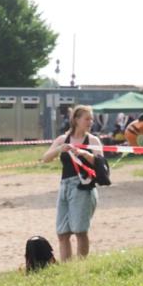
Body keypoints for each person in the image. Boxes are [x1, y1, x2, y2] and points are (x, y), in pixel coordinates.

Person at [41, 105, 103, 262]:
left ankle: (81, 265)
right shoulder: (63, 139)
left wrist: (85, 153)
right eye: (87, 119)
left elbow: (101, 163)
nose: (90, 122)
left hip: (83, 188)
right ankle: (67, 266)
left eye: (91, 119)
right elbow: (45, 158)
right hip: (65, 186)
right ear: (76, 119)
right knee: (62, 232)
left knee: (80, 230)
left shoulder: (93, 140)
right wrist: (59, 149)